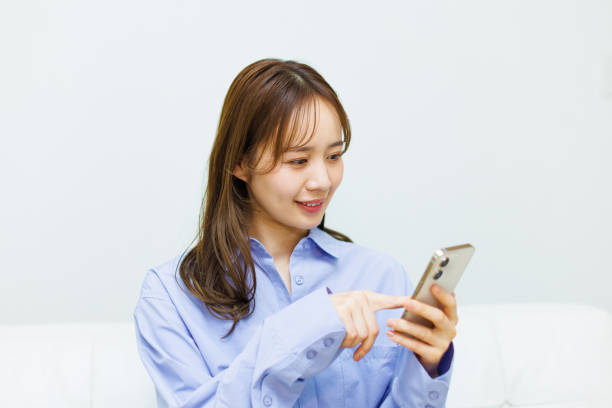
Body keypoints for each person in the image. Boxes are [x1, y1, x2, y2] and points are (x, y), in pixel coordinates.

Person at [133, 58, 457, 408]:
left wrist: (427, 365)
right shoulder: (170, 297)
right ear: (240, 163)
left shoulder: (381, 276)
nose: (322, 181)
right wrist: (305, 328)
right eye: (298, 161)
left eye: (334, 156)